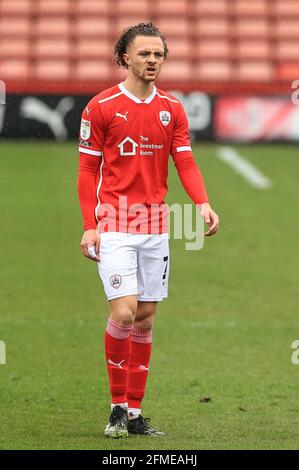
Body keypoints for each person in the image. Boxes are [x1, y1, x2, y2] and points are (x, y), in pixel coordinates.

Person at [77, 22, 219, 438]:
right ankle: (116, 407)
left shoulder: (172, 108)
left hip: (155, 225)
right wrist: (89, 226)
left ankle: (135, 413)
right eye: (144, 53)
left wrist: (202, 202)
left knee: (146, 317)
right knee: (123, 311)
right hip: (115, 224)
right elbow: (87, 169)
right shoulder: (101, 106)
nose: (152, 60)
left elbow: (185, 161)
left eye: (158, 54)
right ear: (125, 57)